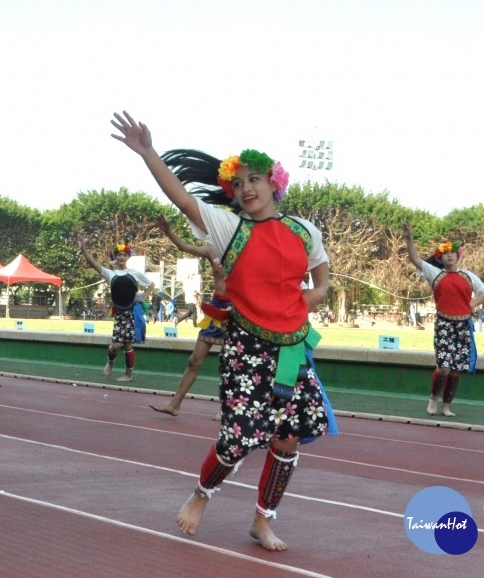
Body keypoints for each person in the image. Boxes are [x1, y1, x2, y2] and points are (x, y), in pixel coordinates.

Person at [111, 112, 332, 552]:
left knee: (287, 438)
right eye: (238, 184)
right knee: (237, 439)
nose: (246, 189)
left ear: (274, 182)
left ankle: (262, 521)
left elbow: (322, 281)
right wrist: (148, 152)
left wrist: (309, 300)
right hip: (246, 347)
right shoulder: (229, 228)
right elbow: (182, 199)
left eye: (254, 179)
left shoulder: (305, 230)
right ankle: (200, 496)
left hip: (291, 351)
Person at [402, 224, 484, 417]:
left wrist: (471, 305)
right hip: (444, 324)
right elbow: (415, 259)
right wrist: (409, 239)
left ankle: (447, 405)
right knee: (444, 368)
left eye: (452, 252)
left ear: (458, 256)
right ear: (440, 257)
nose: (449, 256)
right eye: (445, 253)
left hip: (463, 325)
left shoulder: (468, 276)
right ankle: (433, 397)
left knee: (457, 370)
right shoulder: (436, 274)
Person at [150, 215, 229, 417]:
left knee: (231, 363)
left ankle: (229, 409)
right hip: (215, 309)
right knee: (194, 360)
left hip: (238, 312)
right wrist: (168, 231)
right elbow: (185, 247)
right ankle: (175, 404)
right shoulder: (211, 251)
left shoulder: (246, 250)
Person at [78, 235, 153, 382]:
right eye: (119, 255)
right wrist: (83, 249)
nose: (122, 257)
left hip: (131, 312)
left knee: (127, 344)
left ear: (128, 257)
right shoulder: (110, 274)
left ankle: (128, 375)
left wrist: (144, 296)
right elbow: (93, 262)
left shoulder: (134, 273)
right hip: (119, 313)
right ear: (115, 256)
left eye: (125, 255)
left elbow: (151, 285)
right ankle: (110, 362)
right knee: (116, 344)